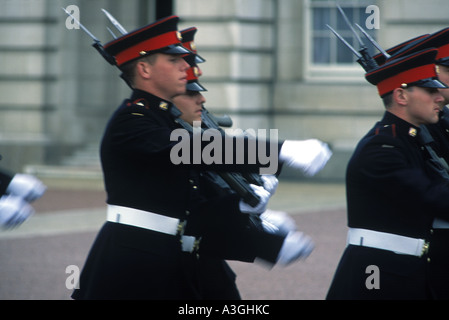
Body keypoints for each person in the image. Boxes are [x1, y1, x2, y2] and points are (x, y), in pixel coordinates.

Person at [72, 15, 331, 299]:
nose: (185, 66)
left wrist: (245, 210)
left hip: (169, 258)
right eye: (173, 61)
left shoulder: (163, 120)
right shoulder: (132, 121)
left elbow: (193, 205)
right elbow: (192, 150)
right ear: (144, 69)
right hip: (134, 262)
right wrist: (280, 152)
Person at [326, 48, 449, 299]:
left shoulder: (412, 141)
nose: (440, 98)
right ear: (401, 95)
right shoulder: (382, 148)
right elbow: (433, 198)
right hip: (377, 274)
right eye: (430, 91)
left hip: (407, 270)